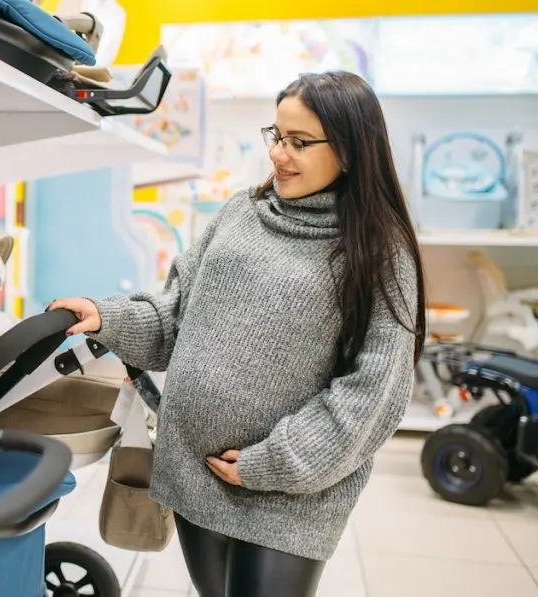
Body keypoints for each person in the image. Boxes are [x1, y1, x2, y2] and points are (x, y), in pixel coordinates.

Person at [48, 71, 426, 597]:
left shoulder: (380, 252)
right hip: (195, 473)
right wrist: (107, 315)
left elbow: (373, 395)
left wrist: (272, 463)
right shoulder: (239, 214)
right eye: (277, 135)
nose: (278, 155)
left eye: (299, 143)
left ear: (349, 151)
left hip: (288, 494)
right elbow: (175, 315)